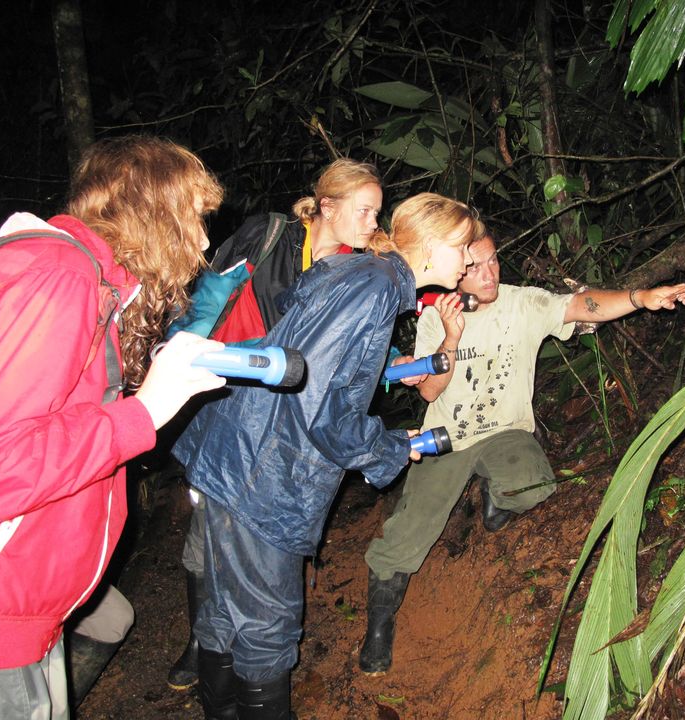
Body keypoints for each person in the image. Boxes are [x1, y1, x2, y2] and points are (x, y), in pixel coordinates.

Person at [0, 135, 228, 720]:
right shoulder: (59, 276)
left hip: (13, 611)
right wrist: (143, 413)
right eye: (195, 219)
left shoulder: (81, 282)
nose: (202, 243)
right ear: (152, 211)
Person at [172, 192, 482, 720]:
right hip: (266, 474)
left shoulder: (363, 272)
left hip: (234, 453)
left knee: (226, 614)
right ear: (430, 246)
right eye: (464, 248)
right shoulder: (378, 286)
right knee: (268, 627)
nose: (471, 261)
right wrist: (389, 448)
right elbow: (323, 408)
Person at [359, 231, 685, 674]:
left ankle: (497, 501)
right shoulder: (436, 317)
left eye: (493, 261)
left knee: (534, 483)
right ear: (456, 272)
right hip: (445, 438)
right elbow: (430, 391)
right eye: (475, 267)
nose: (489, 273)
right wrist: (451, 337)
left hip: (506, 432)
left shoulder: (524, 302)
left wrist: (641, 297)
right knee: (408, 531)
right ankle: (379, 625)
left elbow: (581, 304)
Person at [166, 158, 392, 691]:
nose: (373, 224)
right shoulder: (269, 236)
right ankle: (200, 642)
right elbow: (209, 299)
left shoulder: (352, 271)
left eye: (377, 214)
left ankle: (225, 652)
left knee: (257, 544)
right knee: (209, 535)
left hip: (280, 430)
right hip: (227, 400)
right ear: (327, 206)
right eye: (365, 211)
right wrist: (189, 361)